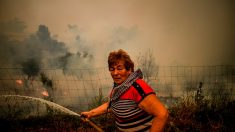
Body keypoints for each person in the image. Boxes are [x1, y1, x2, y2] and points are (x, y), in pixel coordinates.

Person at [81, 49, 168, 132]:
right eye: (112, 69)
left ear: (129, 69)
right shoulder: (119, 87)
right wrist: (91, 113)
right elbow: (111, 104)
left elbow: (162, 114)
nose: (115, 73)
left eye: (119, 68)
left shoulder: (137, 87)